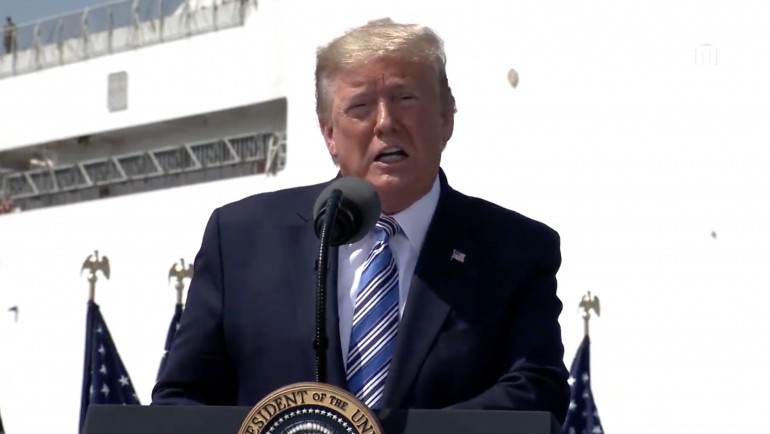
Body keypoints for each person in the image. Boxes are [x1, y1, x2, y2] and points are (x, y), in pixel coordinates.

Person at [152, 19, 570, 422]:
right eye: (361, 107)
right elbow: (181, 398)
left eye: (406, 99)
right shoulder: (241, 239)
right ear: (329, 135)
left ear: (446, 118)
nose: (386, 122)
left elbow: (535, 391)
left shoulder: (515, 249)